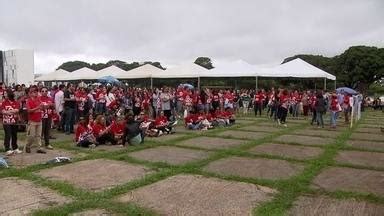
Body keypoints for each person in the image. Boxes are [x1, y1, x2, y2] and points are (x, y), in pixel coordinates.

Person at [25, 86, 46, 153]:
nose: (36, 93)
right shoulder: (28, 101)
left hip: (39, 119)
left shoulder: (38, 99)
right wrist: (38, 107)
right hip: (32, 121)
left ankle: (39, 148)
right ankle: (28, 146)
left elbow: (41, 108)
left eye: (36, 92)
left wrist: (44, 106)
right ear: (31, 93)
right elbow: (29, 111)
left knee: (39, 135)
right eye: (34, 92)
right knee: (32, 136)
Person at [1, 90, 22, 155]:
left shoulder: (16, 102)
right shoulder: (4, 102)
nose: (4, 95)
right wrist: (11, 112)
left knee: (14, 135)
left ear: (9, 94)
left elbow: (17, 110)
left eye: (5, 93)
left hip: (14, 121)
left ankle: (15, 148)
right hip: (6, 122)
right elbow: (3, 111)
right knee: (8, 135)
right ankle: (7, 149)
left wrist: (8, 112)